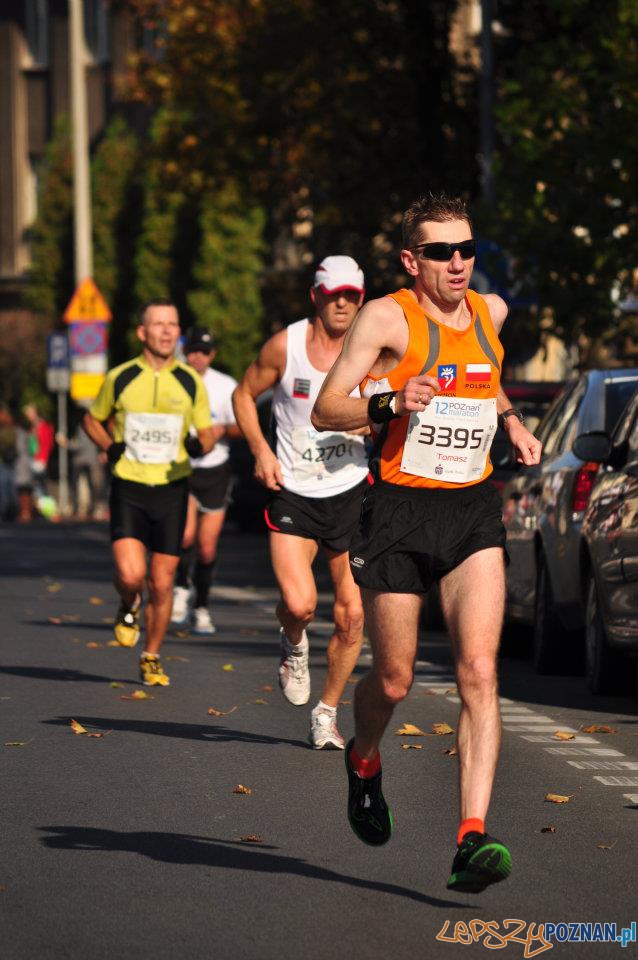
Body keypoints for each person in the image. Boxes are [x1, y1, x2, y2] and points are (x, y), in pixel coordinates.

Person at [312, 193, 542, 891]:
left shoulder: (492, 311)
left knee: (478, 671)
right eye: (442, 252)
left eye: (467, 249)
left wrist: (512, 423)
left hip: (471, 509)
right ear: (413, 260)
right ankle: (365, 758)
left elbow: (487, 377)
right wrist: (390, 401)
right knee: (395, 679)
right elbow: (327, 406)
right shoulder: (387, 317)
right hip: (399, 511)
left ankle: (472, 836)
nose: (458, 263)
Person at [233, 256, 370, 750]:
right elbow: (244, 395)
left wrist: (374, 420)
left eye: (352, 295)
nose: (343, 303)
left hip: (351, 491)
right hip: (294, 491)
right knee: (300, 604)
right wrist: (261, 450)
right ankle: (293, 643)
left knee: (352, 616)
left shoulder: (371, 349)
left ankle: (326, 714)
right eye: (334, 294)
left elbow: (389, 406)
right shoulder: (285, 346)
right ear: (315, 294)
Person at [82, 299, 214, 686]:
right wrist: (109, 445)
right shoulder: (120, 377)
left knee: (162, 580)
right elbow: (92, 419)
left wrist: (198, 446)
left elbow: (206, 432)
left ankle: (152, 655)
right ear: (143, 332)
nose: (167, 331)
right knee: (130, 572)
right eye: (158, 324)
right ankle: (127, 602)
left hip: (172, 487)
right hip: (130, 485)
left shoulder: (190, 380)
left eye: (172, 324)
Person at [171, 326, 241, 635]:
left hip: (215, 469)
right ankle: (180, 590)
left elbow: (244, 425)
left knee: (207, 547)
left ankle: (201, 607)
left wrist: (220, 430)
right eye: (192, 351)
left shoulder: (225, 386)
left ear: (212, 355)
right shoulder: (174, 381)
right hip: (183, 468)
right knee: (184, 537)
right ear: (185, 353)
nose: (197, 357)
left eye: (204, 351)